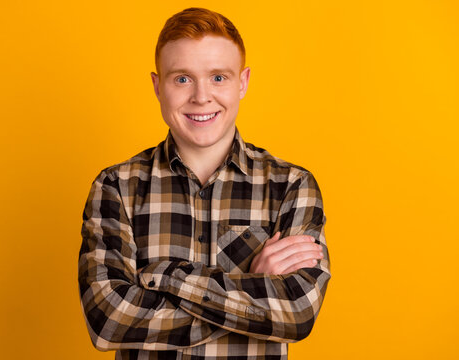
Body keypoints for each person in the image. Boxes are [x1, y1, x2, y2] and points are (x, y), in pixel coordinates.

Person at [78, 7, 331, 360]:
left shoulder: (291, 186)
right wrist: (252, 288)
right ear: (157, 86)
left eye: (218, 78)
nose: (200, 96)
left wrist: (161, 277)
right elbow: (108, 321)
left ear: (242, 82)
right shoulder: (116, 186)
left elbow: (297, 312)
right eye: (182, 78)